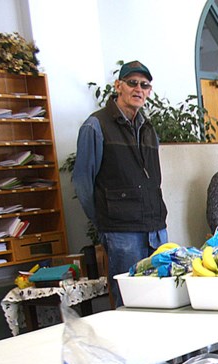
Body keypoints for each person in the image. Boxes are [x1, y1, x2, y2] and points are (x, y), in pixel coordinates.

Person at [72, 60, 168, 304]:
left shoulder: (149, 129)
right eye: (132, 83)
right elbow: (83, 183)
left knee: (162, 297)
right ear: (118, 86)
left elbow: (153, 179)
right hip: (122, 232)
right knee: (130, 301)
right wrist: (106, 221)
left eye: (144, 85)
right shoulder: (95, 126)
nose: (138, 89)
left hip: (155, 229)